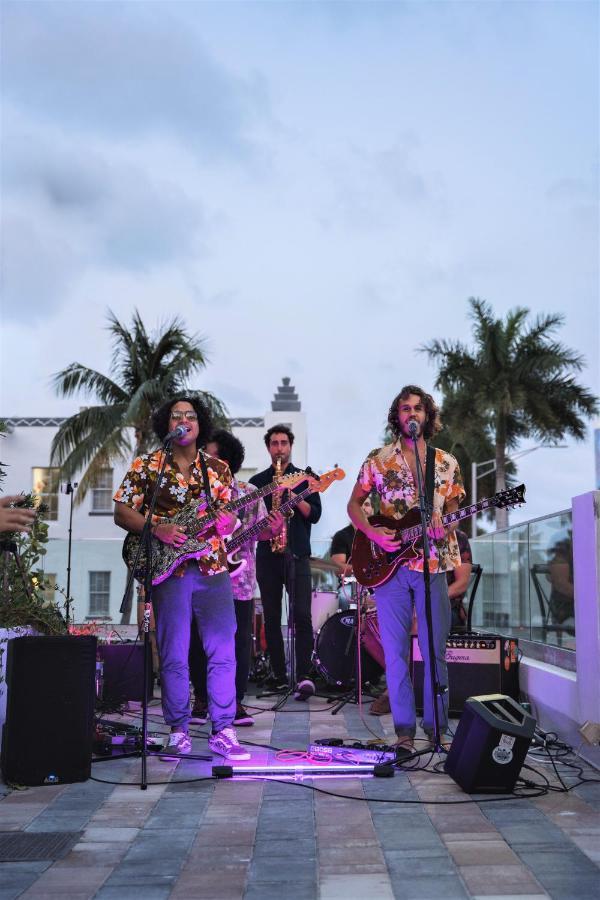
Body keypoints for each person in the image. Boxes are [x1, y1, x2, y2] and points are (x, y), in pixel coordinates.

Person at [113, 395, 250, 761]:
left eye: (191, 415)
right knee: (174, 650)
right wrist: (155, 528)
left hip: (213, 568)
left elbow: (232, 519)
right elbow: (122, 511)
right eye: (177, 415)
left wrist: (229, 522)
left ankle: (224, 729)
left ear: (200, 424)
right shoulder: (148, 466)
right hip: (169, 570)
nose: (184, 420)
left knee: (223, 649)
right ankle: (178, 730)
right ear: (167, 425)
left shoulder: (218, 470)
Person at [348, 385, 465, 752]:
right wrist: (374, 534)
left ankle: (437, 730)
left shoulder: (446, 463)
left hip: (433, 565)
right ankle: (403, 732)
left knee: (435, 652)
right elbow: (354, 506)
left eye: (418, 409)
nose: (411, 414)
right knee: (395, 653)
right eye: (405, 408)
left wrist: (445, 524)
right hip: (390, 568)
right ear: (396, 417)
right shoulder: (378, 459)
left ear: (427, 416)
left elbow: (453, 516)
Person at [189, 429, 282, 727]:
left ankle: (236, 702)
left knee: (240, 642)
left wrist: (275, 526)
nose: (202, 459)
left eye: (209, 455)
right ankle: (202, 699)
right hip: (201, 578)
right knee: (197, 641)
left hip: (239, 582)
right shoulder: (195, 493)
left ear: (224, 462)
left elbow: (263, 531)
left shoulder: (249, 493)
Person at [250, 423, 322, 699]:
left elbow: (314, 514)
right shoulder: (257, 482)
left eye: (284, 443)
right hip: (267, 553)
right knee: (271, 618)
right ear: (269, 448)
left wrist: (295, 498)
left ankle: (303, 675)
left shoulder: (306, 478)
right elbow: (250, 521)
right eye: (274, 443)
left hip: (297, 553)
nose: (279, 448)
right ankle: (278, 675)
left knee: (302, 615)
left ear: (291, 446)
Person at [330, 497, 374, 609]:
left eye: (367, 504)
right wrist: (363, 569)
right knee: (345, 598)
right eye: (360, 505)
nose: (364, 508)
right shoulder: (342, 536)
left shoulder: (379, 534)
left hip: (377, 585)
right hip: (352, 586)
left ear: (372, 509)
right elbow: (337, 568)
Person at [447, 529, 473, 631]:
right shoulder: (413, 533)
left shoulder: (457, 537)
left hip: (446, 605)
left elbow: (462, 583)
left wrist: (428, 602)